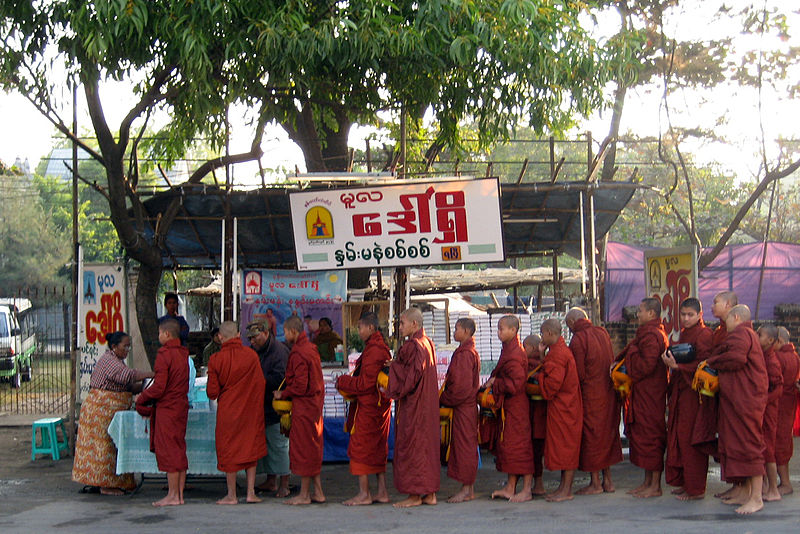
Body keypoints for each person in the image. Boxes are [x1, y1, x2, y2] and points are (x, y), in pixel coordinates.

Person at [72, 331, 154, 495]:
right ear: (114, 347)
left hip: (109, 411)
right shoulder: (110, 361)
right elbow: (128, 377)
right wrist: (152, 374)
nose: (127, 350)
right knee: (104, 448)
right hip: (100, 411)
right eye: (125, 346)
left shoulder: (118, 361)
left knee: (114, 446)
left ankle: (115, 482)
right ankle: (105, 485)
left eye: (129, 346)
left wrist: (148, 385)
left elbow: (127, 387)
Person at [706, 304, 768, 515]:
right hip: (738, 400)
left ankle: (756, 497)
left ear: (736, 317)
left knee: (750, 445)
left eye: (728, 319)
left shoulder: (742, 334)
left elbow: (736, 359)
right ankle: (745, 492)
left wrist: (711, 361)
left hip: (746, 401)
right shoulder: (747, 335)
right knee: (738, 444)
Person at [384, 307, 440, 508]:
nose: (399, 327)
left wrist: (393, 368)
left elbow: (410, 378)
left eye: (402, 323)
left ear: (414, 324)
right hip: (427, 407)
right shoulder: (428, 343)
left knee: (413, 447)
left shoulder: (413, 346)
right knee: (427, 448)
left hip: (414, 407)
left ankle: (415, 496)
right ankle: (430, 494)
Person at [206, 321, 267, 505]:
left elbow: (212, 392)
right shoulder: (251, 356)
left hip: (228, 412)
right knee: (250, 448)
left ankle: (231, 495)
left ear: (220, 337)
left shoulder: (216, 359)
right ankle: (250, 493)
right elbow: (261, 384)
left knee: (230, 450)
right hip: (250, 411)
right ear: (239, 335)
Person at [335, 312, 392, 505]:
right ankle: (382, 492)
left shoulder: (375, 350)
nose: (358, 331)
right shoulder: (376, 348)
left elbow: (366, 384)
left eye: (360, 327)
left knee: (362, 448)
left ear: (371, 328)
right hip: (377, 407)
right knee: (376, 448)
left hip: (369, 407)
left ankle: (364, 494)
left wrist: (343, 382)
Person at [660, 297, 713, 500]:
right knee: (681, 437)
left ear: (700, 315)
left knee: (693, 439)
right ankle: (685, 483)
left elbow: (705, 364)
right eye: (683, 315)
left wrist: (677, 367)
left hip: (696, 395)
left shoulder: (705, 334)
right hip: (682, 393)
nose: (686, 318)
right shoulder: (685, 333)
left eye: (690, 315)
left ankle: (696, 489)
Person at [616, 297, 668, 498]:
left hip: (651, 395)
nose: (637, 314)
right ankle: (647, 482)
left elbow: (646, 366)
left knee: (652, 438)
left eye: (640, 310)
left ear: (652, 314)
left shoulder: (652, 336)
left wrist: (632, 354)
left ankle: (655, 485)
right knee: (644, 438)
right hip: (642, 393)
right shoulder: (646, 334)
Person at [565, 307, 621, 495]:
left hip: (591, 396)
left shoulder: (578, 339)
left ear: (572, 323)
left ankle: (596, 482)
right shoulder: (602, 332)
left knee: (592, 437)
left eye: (568, 326)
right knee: (607, 435)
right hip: (609, 392)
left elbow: (578, 374)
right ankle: (609, 481)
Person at [135, 318, 190, 507]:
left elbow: (159, 388)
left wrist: (142, 398)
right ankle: (179, 495)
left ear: (167, 334)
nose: (158, 336)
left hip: (168, 409)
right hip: (180, 407)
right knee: (179, 448)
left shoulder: (165, 354)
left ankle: (173, 495)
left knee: (170, 452)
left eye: (160, 333)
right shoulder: (183, 354)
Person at [274, 315, 325, 505]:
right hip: (314, 406)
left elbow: (301, 386)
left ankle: (304, 494)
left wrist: (283, 394)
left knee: (304, 449)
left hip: (304, 406)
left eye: (286, 331)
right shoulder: (310, 348)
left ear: (293, 331)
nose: (285, 335)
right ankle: (318, 492)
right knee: (312, 448)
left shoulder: (299, 353)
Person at [485, 315, 534, 502]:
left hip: (516, 407)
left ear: (513, 331)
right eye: (498, 328)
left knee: (521, 447)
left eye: (502, 328)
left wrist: (496, 382)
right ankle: (510, 487)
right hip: (509, 407)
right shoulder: (509, 349)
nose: (499, 332)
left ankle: (527, 490)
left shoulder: (515, 353)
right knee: (509, 447)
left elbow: (515, 385)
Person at [538, 318, 583, 502]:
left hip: (565, 407)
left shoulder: (559, 354)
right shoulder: (558, 351)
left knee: (567, 449)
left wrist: (540, 377)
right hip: (565, 406)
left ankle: (567, 490)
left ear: (549, 333)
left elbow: (551, 385)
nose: (541, 337)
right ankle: (562, 488)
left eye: (542, 333)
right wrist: (542, 356)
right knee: (565, 448)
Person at [247, 320, 291, 498]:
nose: (252, 342)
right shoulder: (258, 352)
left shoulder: (279, 352)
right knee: (267, 446)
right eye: (250, 339)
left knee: (280, 446)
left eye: (255, 337)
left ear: (265, 333)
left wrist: (258, 379)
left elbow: (281, 379)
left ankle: (285, 484)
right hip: (261, 407)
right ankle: (271, 480)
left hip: (279, 408)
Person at [439, 317, 481, 503]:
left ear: (466, 331)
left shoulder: (465, 354)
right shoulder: (467, 351)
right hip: (466, 407)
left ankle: (466, 489)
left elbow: (461, 388)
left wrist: (443, 399)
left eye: (456, 329)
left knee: (465, 448)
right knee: (466, 447)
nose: (454, 332)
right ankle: (468, 489)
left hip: (464, 407)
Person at [710, 291, 737, 499]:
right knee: (726, 440)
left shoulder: (737, 332)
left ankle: (747, 487)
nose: (713, 306)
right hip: (721, 390)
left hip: (736, 394)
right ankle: (735, 484)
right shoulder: (721, 330)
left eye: (716, 302)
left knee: (738, 440)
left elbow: (734, 359)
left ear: (728, 305)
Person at [756, 324, 783, 502]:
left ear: (771, 340)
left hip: (769, 410)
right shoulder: (762, 357)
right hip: (761, 409)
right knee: (762, 448)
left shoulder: (772, 361)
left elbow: (779, 388)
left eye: (760, 335)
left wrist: (763, 400)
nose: (757, 337)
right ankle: (765, 486)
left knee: (769, 451)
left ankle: (774, 489)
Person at [774, 326, 799, 495]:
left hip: (779, 403)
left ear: (779, 341)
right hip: (788, 403)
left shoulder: (779, 357)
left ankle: (785, 483)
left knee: (778, 443)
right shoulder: (795, 356)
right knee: (783, 441)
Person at [522, 334, 547, 497]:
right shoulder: (544, 363)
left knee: (533, 450)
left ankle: (536, 484)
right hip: (542, 414)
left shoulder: (530, 366)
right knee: (537, 450)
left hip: (534, 414)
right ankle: (537, 483)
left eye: (524, 347)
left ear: (531, 348)